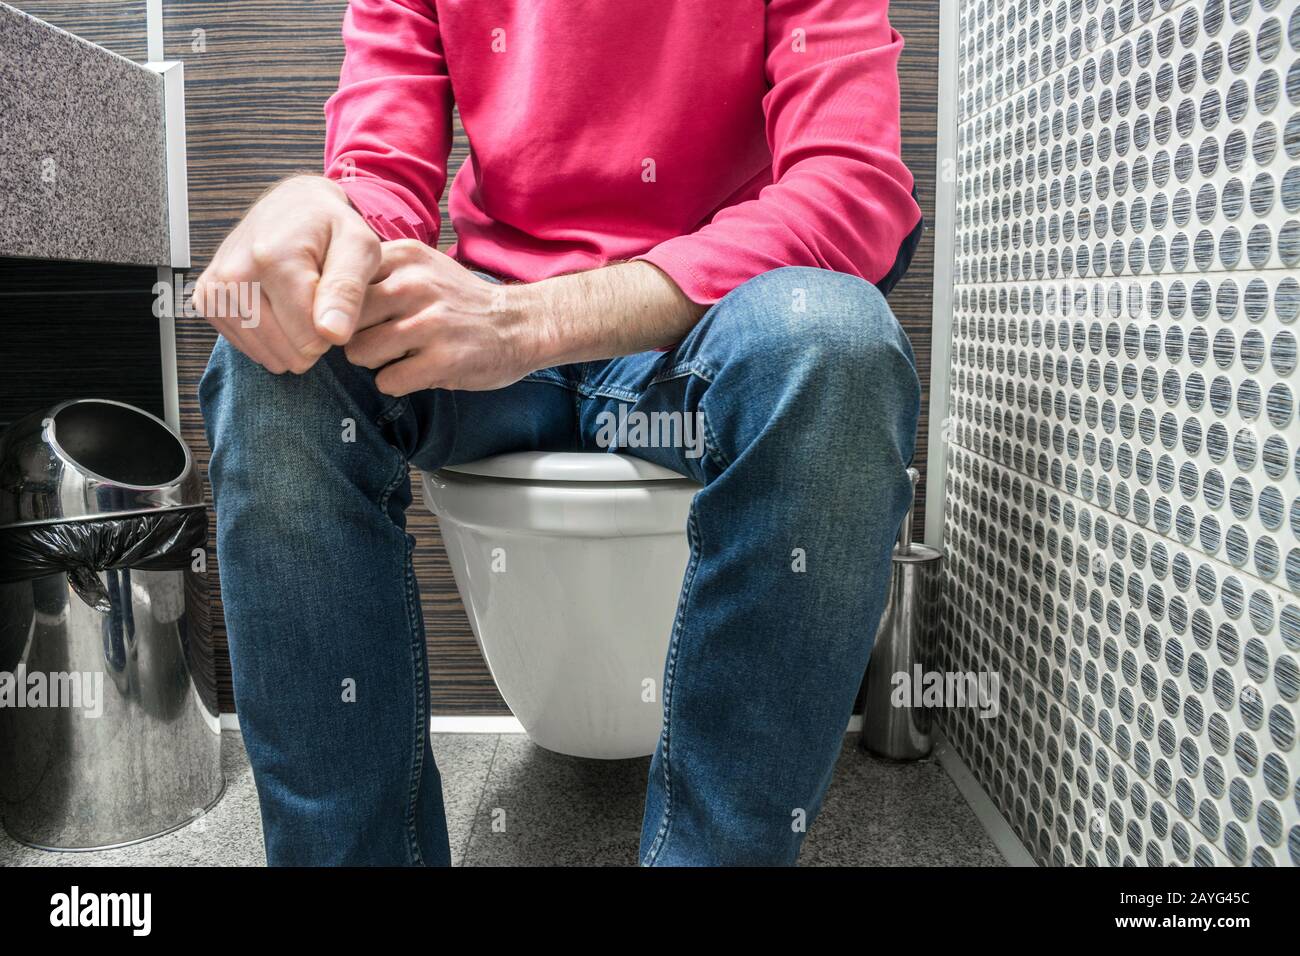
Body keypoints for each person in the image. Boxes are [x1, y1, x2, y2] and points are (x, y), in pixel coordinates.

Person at [197, 0, 923, 866]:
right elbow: (381, 177)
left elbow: (849, 189)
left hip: (697, 326)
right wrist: (319, 213)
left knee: (835, 344)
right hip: (489, 342)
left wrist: (529, 321)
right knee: (280, 359)